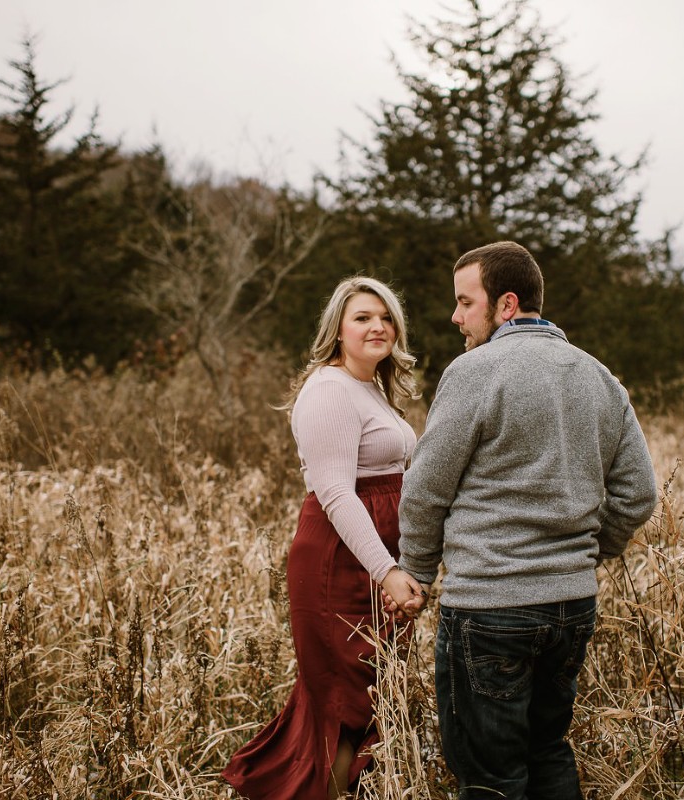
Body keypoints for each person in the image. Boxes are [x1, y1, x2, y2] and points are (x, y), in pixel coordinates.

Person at [394, 241, 658, 799]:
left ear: (506, 304)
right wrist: (583, 555)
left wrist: (415, 569)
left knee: (492, 779)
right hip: (571, 608)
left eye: (466, 303)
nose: (455, 316)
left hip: (491, 607)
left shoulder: (474, 371)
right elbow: (638, 495)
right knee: (547, 753)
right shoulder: (599, 377)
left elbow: (424, 488)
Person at [223, 276, 428, 800]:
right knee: (346, 703)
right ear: (337, 329)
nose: (377, 326)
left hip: (377, 555)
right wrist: (388, 569)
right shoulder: (329, 388)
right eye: (362, 317)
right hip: (340, 562)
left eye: (385, 317)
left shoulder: (372, 387)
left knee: (374, 701)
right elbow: (336, 492)